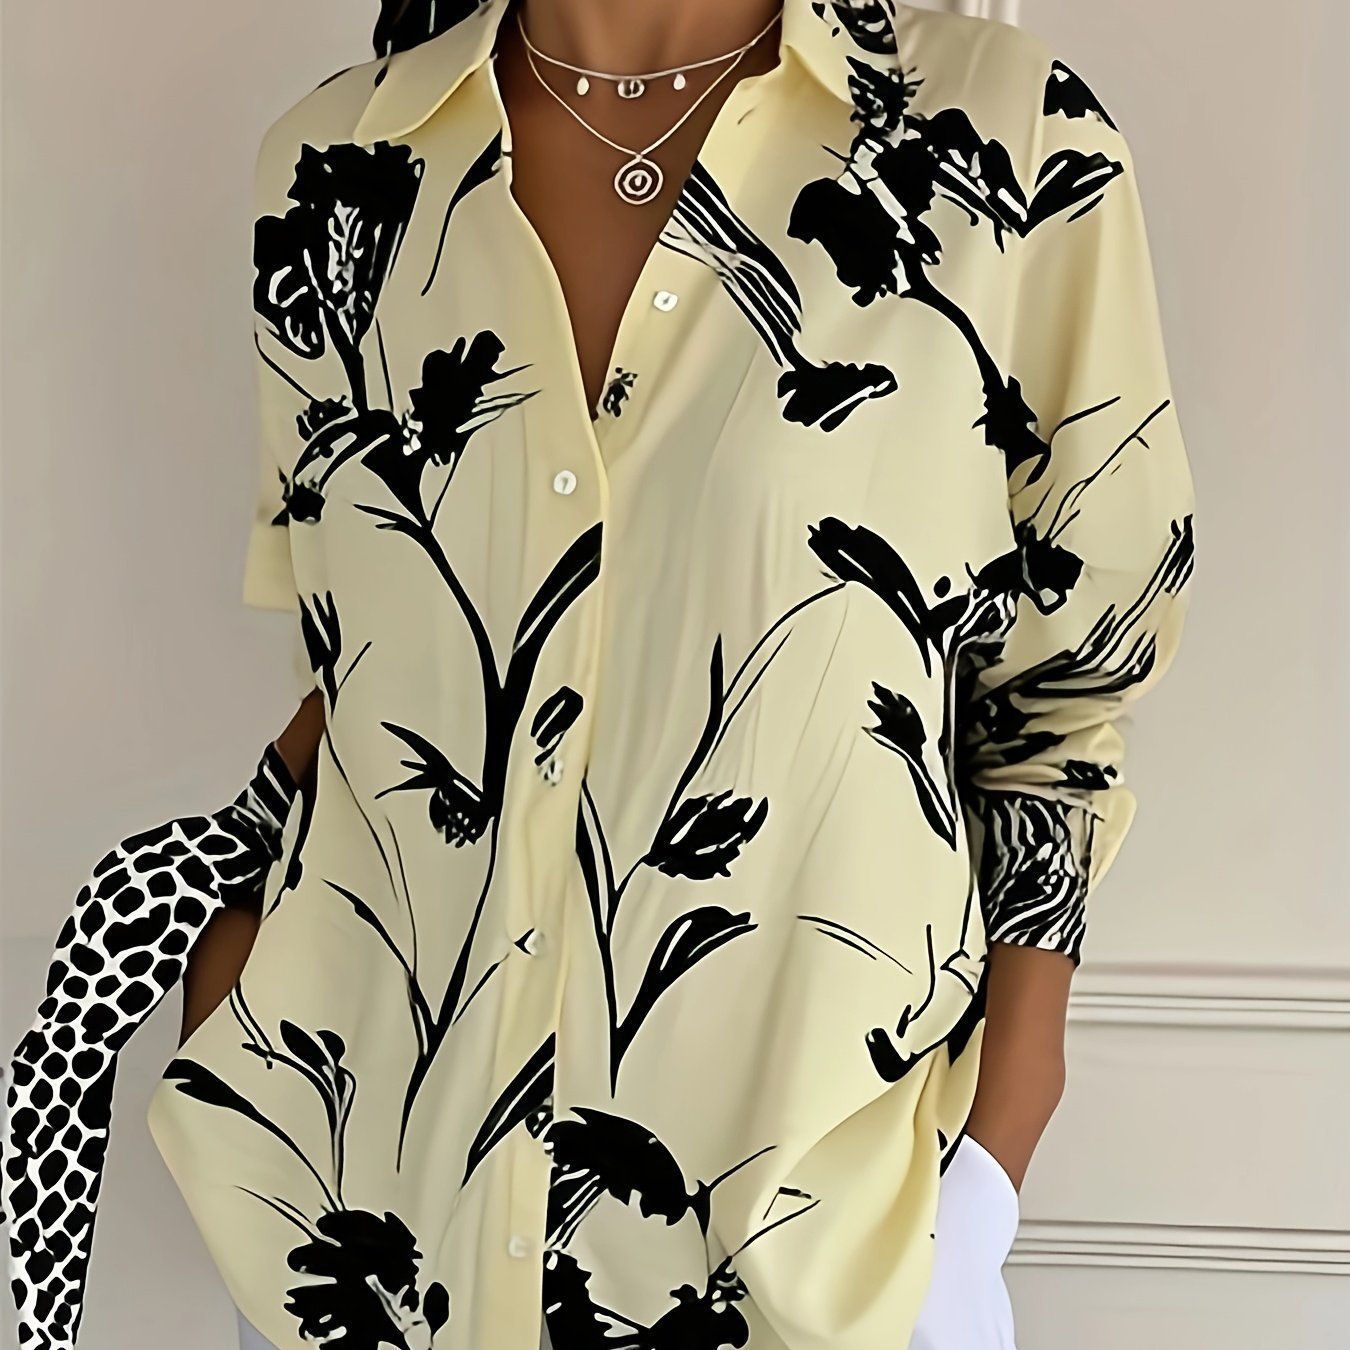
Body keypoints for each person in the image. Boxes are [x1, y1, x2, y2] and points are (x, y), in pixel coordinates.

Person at [4, 1, 1195, 1347]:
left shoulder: (1004, 147)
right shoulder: (337, 165)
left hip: (810, 1262)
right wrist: (225, 977)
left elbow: (1061, 707)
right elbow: (367, 664)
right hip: (368, 1232)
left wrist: (980, 1186)